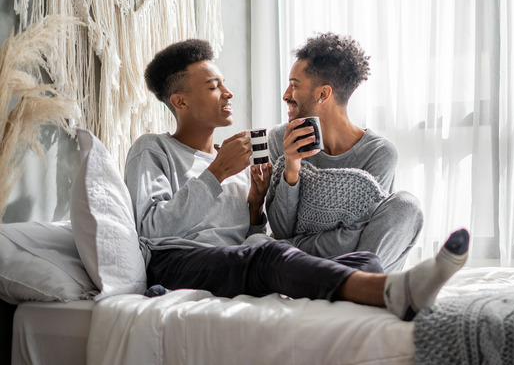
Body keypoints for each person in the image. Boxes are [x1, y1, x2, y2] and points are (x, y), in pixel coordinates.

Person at [124, 38, 469, 321]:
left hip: (233, 259)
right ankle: (392, 291)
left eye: (225, 84)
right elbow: (151, 229)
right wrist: (218, 172)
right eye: (214, 87)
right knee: (269, 255)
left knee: (359, 260)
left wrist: (257, 205)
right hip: (176, 260)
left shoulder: (238, 160)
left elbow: (247, 237)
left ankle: (376, 282)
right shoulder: (153, 149)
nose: (228, 93)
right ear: (180, 101)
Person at [267, 32, 422, 272]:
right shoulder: (281, 139)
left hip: (345, 261)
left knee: (406, 205)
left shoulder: (379, 152)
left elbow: (363, 235)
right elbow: (282, 229)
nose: (286, 95)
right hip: (325, 263)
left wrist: (292, 244)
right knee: (257, 243)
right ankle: (348, 281)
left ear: (323, 94)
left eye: (294, 85)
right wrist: (292, 166)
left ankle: (348, 279)